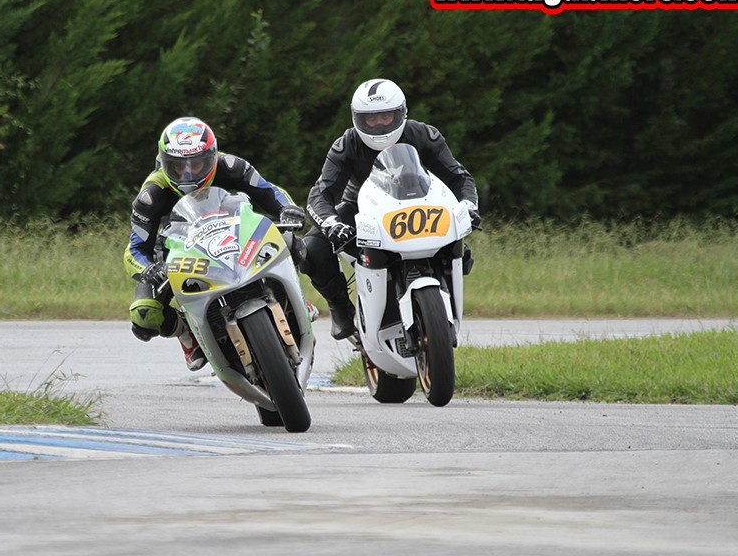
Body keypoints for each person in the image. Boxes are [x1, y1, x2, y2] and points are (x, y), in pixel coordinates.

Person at [301, 78, 482, 340]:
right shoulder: (346, 144)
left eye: (386, 116)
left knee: (459, 249)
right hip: (362, 209)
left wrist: (468, 205)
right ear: (356, 119)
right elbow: (320, 193)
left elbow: (459, 177)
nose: (378, 125)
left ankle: (445, 298)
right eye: (370, 119)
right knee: (313, 248)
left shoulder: (423, 134)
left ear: (401, 113)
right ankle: (340, 307)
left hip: (422, 203)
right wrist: (331, 223)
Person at [123, 116, 307, 371]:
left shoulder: (232, 166)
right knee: (144, 315)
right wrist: (147, 269)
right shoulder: (151, 194)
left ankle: (290, 294)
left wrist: (288, 209)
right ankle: (187, 335)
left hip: (236, 234)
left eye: (196, 165)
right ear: (164, 163)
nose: (187, 173)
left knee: (292, 241)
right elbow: (135, 249)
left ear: (211, 156)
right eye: (177, 167)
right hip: (177, 252)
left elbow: (271, 192)